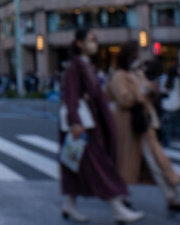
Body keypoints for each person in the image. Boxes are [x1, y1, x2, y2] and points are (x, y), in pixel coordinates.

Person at [59, 29, 143, 223]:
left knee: (79, 166)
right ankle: (117, 208)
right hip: (82, 126)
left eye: (95, 40)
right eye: (90, 40)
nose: (94, 44)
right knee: (98, 167)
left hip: (89, 123)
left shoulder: (88, 66)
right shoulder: (75, 67)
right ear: (79, 43)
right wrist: (75, 122)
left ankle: (70, 204)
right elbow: (71, 96)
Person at [107, 46, 180, 214]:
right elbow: (125, 98)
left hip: (143, 122)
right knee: (133, 163)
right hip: (129, 125)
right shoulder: (119, 76)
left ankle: (170, 197)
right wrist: (143, 92)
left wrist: (152, 91)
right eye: (134, 57)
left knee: (154, 161)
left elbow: (147, 93)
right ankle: (122, 199)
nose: (137, 61)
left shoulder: (137, 74)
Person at [160, 65, 180, 142]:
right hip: (178, 103)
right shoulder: (179, 80)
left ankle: (169, 135)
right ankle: (179, 135)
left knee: (169, 121)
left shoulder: (167, 80)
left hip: (168, 104)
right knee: (179, 121)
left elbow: (164, 91)